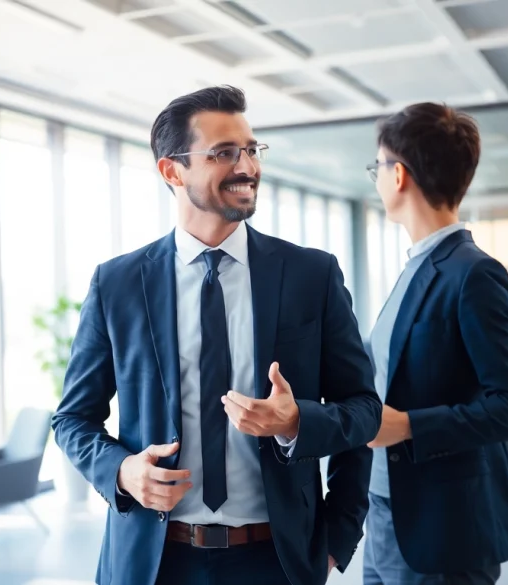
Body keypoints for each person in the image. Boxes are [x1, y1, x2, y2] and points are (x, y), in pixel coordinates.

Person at [52, 85, 381, 585]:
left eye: (250, 150)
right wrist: (122, 472)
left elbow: (363, 409)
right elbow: (73, 419)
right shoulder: (117, 284)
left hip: (276, 560)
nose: (247, 166)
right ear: (172, 170)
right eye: (224, 153)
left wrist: (300, 430)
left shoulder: (311, 275)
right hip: (153, 562)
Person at [362, 103, 508, 584]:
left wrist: (409, 426)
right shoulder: (414, 268)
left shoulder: (473, 272)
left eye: (376, 166)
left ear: (398, 175)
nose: (375, 178)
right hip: (385, 510)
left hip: (442, 527)